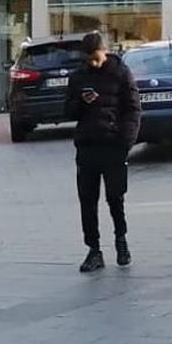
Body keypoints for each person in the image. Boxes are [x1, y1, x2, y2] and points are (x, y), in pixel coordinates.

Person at [64, 31, 141, 273]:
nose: (93, 63)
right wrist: (81, 102)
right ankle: (93, 249)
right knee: (87, 200)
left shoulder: (120, 73)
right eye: (88, 59)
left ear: (105, 51)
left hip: (113, 145)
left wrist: (125, 141)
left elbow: (133, 109)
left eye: (96, 57)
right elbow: (68, 111)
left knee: (115, 198)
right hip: (87, 145)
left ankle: (121, 240)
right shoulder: (78, 77)